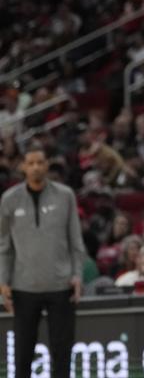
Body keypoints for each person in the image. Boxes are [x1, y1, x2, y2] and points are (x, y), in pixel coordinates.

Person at [0, 147, 86, 378]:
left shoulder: (65, 195)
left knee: (62, 354)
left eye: (40, 162)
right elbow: (4, 247)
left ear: (47, 164)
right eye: (31, 163)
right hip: (23, 286)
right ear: (23, 167)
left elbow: (75, 241)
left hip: (61, 285)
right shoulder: (9, 200)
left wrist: (77, 275)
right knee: (22, 355)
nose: (36, 167)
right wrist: (3, 282)